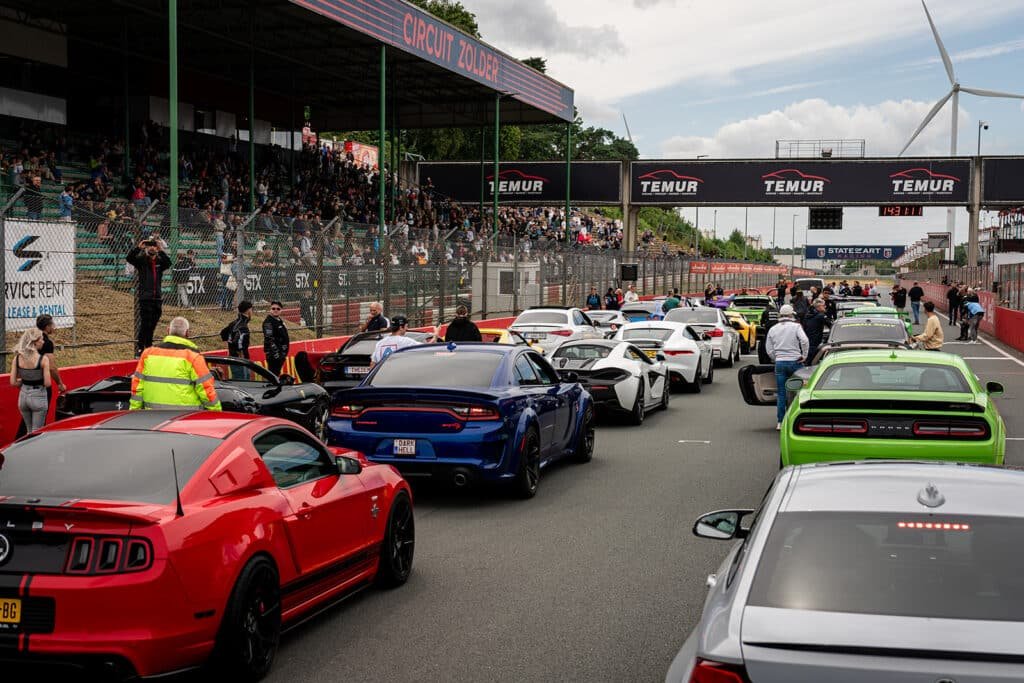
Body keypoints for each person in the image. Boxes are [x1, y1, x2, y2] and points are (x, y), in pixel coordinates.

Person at [130, 317, 221, 411]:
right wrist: (216, 413)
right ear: (187, 333)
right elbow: (206, 389)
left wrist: (134, 411)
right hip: (184, 418)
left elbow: (137, 386)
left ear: (168, 330)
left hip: (153, 417)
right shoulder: (193, 357)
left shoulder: (148, 354)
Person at [765, 304, 809, 431]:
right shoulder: (796, 327)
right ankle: (797, 419)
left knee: (781, 393)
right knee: (799, 392)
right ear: (791, 315)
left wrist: (776, 357)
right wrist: (804, 355)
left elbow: (769, 348)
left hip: (780, 362)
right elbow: (805, 341)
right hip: (795, 361)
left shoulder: (773, 329)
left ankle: (780, 421)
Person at [126, 238, 172, 356]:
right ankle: (141, 347)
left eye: (154, 246)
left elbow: (169, 263)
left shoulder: (159, 262)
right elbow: (130, 258)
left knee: (153, 324)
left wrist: (160, 249)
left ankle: (149, 345)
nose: (152, 248)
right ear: (146, 248)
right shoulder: (142, 261)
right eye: (150, 246)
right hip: (145, 298)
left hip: (157, 298)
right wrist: (139, 247)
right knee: (145, 324)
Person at [10, 328, 51, 433]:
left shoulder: (17, 358)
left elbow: (13, 382)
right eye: (41, 339)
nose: (43, 341)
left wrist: (25, 382)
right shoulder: (43, 359)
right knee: (37, 431)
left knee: (28, 430)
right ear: (35, 342)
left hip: (23, 396)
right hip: (38, 395)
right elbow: (47, 383)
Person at [35, 314, 66, 400]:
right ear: (47, 326)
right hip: (41, 386)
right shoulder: (47, 343)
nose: (54, 326)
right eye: (52, 324)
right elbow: (51, 367)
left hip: (26, 385)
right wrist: (60, 383)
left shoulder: (31, 340)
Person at [262, 301, 290, 376]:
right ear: (270, 310)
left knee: (276, 374)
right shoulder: (268, 322)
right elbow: (269, 339)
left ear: (281, 310)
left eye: (278, 309)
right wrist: (276, 355)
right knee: (273, 375)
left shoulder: (279, 321)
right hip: (274, 356)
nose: (275, 310)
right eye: (273, 308)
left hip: (281, 354)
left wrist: (283, 354)